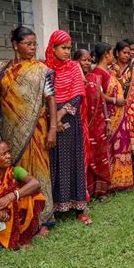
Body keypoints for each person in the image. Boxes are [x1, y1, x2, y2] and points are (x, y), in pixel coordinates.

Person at [0, 26, 56, 236]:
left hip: (35, 131)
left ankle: (43, 219)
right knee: (12, 173)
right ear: (16, 45)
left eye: (34, 44)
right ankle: (19, 215)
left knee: (39, 172)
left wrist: (52, 129)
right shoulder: (3, 69)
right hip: (8, 132)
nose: (33, 48)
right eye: (28, 44)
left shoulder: (41, 70)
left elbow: (51, 99)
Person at [45, 30, 91, 224]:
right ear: (52, 48)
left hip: (70, 120)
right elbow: (44, 96)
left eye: (68, 49)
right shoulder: (45, 68)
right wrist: (52, 121)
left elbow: (78, 94)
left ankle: (79, 208)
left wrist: (60, 115)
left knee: (74, 161)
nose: (66, 52)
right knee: (53, 162)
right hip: (49, 121)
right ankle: (54, 208)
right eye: (62, 48)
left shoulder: (73, 67)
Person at [0, 141, 45, 258]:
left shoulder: (15, 171)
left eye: (9, 152)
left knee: (30, 196)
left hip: (11, 218)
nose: (9, 156)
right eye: (3, 154)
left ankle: (23, 238)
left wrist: (11, 196)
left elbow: (35, 183)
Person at [92, 42, 134, 191]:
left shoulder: (109, 72)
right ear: (106, 55)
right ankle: (110, 182)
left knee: (121, 145)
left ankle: (121, 180)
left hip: (119, 114)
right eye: (111, 53)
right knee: (111, 148)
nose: (112, 56)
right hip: (109, 115)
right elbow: (97, 94)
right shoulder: (98, 73)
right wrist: (115, 101)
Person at [74, 49, 112, 198]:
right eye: (84, 60)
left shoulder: (95, 78)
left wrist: (107, 120)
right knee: (86, 157)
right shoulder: (73, 79)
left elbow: (101, 99)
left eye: (89, 60)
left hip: (98, 124)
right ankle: (86, 191)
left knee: (100, 156)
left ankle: (101, 190)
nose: (87, 63)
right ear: (76, 61)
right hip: (81, 125)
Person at [114, 41, 134, 187]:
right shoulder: (111, 70)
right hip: (117, 111)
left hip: (132, 111)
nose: (127, 55)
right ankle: (121, 178)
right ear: (117, 53)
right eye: (124, 52)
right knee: (119, 144)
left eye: (128, 53)